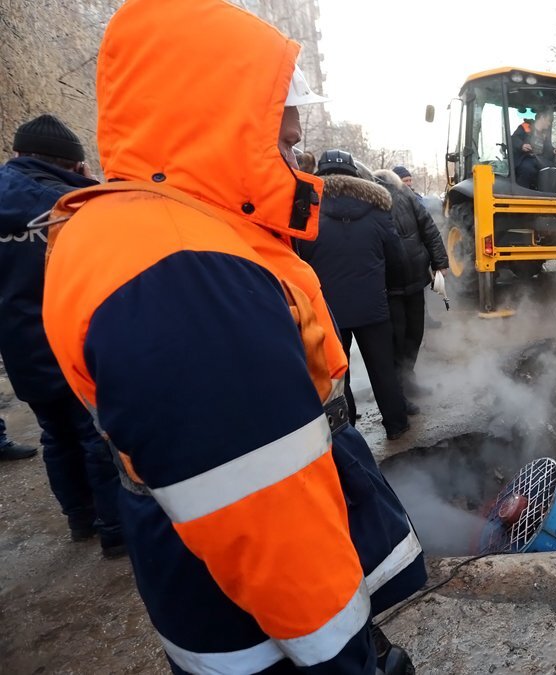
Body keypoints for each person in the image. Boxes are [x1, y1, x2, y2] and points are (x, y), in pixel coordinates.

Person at [39, 1, 425, 672]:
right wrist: (348, 657)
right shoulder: (185, 274)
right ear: (218, 126)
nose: (293, 161)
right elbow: (269, 516)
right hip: (268, 642)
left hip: (217, 609)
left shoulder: (143, 235)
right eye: (282, 141)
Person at [0, 114, 125, 556]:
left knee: (54, 433)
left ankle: (79, 519)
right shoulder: (74, 204)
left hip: (20, 347)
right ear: (75, 164)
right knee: (95, 436)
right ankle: (114, 530)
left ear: (17, 155)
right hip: (75, 341)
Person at [297, 150, 415, 437]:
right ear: (355, 175)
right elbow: (397, 257)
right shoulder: (377, 209)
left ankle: (348, 429)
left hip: (328, 311)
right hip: (373, 305)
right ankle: (396, 425)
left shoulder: (307, 212)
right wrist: (391, 288)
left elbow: (299, 260)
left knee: (340, 372)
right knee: (383, 369)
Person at [374, 168, 449, 397]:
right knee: (397, 335)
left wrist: (439, 262)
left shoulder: (407, 196)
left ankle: (408, 379)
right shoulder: (371, 200)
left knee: (415, 332)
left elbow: (429, 229)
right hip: (390, 285)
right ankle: (398, 389)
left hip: (416, 279)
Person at [512, 108, 556, 189]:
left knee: (554, 169)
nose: (549, 124)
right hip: (525, 159)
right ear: (542, 117)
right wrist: (521, 145)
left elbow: (548, 148)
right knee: (527, 168)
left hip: (540, 160)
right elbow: (513, 139)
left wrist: (554, 151)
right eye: (548, 121)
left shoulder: (545, 134)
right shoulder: (525, 127)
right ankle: (522, 193)